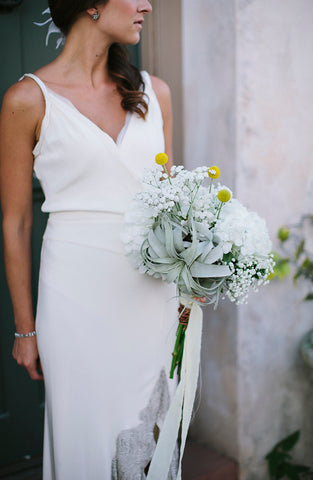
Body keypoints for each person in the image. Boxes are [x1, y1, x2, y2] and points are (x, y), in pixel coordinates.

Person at [0, 1, 180, 478]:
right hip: (74, 300)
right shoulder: (27, 99)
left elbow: (173, 204)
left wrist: (192, 274)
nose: (147, 5)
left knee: (153, 438)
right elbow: (15, 223)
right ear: (90, 5)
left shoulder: (154, 93)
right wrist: (25, 329)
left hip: (151, 297)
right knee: (86, 435)